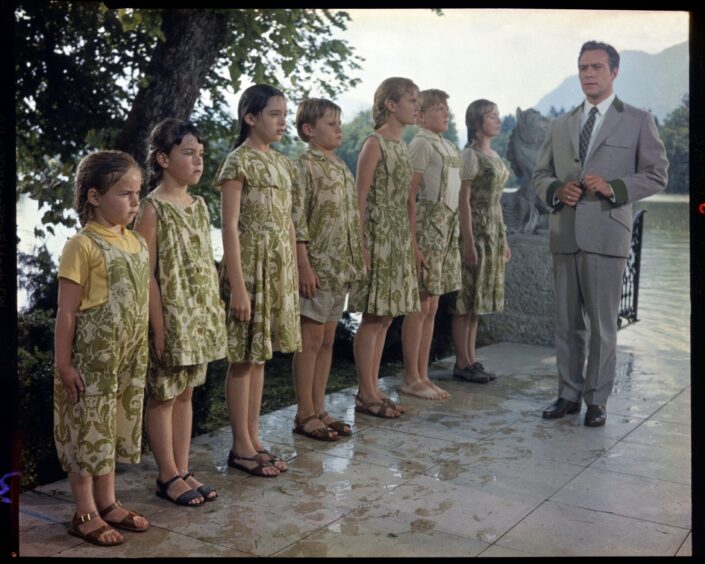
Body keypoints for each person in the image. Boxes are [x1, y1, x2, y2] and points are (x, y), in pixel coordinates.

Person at [533, 40, 668, 427]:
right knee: (566, 323)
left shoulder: (639, 120)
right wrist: (557, 190)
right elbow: (540, 175)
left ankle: (597, 400)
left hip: (608, 235)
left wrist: (614, 187)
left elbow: (657, 175)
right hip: (565, 234)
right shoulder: (559, 125)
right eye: (582, 68)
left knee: (603, 326)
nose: (588, 74)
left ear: (614, 72)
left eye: (596, 67)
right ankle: (568, 395)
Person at [54, 150, 150, 546]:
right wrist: (64, 364)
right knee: (87, 434)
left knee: (110, 431)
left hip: (126, 358)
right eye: (125, 194)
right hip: (91, 362)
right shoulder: (83, 245)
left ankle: (108, 502)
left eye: (137, 193)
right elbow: (66, 312)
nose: (134, 202)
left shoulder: (135, 242)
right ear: (94, 197)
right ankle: (84, 511)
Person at [134, 118, 227, 506]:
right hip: (171, 316)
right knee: (165, 395)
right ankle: (166, 474)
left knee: (187, 393)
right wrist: (158, 326)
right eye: (187, 153)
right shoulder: (152, 208)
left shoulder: (199, 204)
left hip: (199, 315)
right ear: (162, 158)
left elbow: (205, 260)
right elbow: (146, 273)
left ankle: (184, 468)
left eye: (200, 154)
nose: (197, 161)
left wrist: (214, 308)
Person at [214, 84, 301, 476]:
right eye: (274, 114)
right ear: (251, 118)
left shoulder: (283, 164)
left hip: (276, 271)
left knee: (260, 355)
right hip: (249, 269)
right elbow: (229, 228)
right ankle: (239, 447)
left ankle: (254, 437)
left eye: (284, 114)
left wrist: (292, 273)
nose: (283, 121)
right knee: (244, 358)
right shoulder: (238, 162)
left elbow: (287, 222)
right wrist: (238, 285)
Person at [290, 98, 367, 440]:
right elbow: (297, 219)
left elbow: (351, 217)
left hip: (340, 267)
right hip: (317, 267)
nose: (339, 128)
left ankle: (319, 407)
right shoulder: (304, 167)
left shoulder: (341, 166)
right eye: (331, 123)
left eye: (340, 122)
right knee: (310, 340)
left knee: (327, 339)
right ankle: (304, 413)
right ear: (309, 130)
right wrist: (303, 265)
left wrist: (358, 253)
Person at [348, 76, 421, 418]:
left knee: (388, 316)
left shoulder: (403, 147)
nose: (416, 107)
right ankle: (365, 393)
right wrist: (359, 244)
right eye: (411, 100)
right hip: (378, 238)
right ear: (391, 105)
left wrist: (412, 244)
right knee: (373, 315)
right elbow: (359, 199)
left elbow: (408, 201)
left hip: (398, 240)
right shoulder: (374, 143)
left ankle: (374, 388)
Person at [400, 89, 462, 401]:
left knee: (433, 304)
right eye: (437, 109)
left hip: (446, 229)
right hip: (427, 226)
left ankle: (423, 374)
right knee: (420, 303)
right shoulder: (421, 143)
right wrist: (413, 242)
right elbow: (409, 195)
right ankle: (411, 376)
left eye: (445, 108)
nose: (445, 113)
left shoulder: (448, 144)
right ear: (421, 116)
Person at [451, 99, 511, 384]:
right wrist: (468, 242)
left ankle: (471, 358)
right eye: (491, 116)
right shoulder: (470, 156)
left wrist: (504, 238)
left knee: (477, 301)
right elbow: (462, 200)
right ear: (477, 122)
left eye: (497, 115)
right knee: (466, 299)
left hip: (492, 232)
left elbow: (497, 201)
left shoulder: (495, 156)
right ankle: (461, 362)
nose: (497, 120)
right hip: (474, 229)